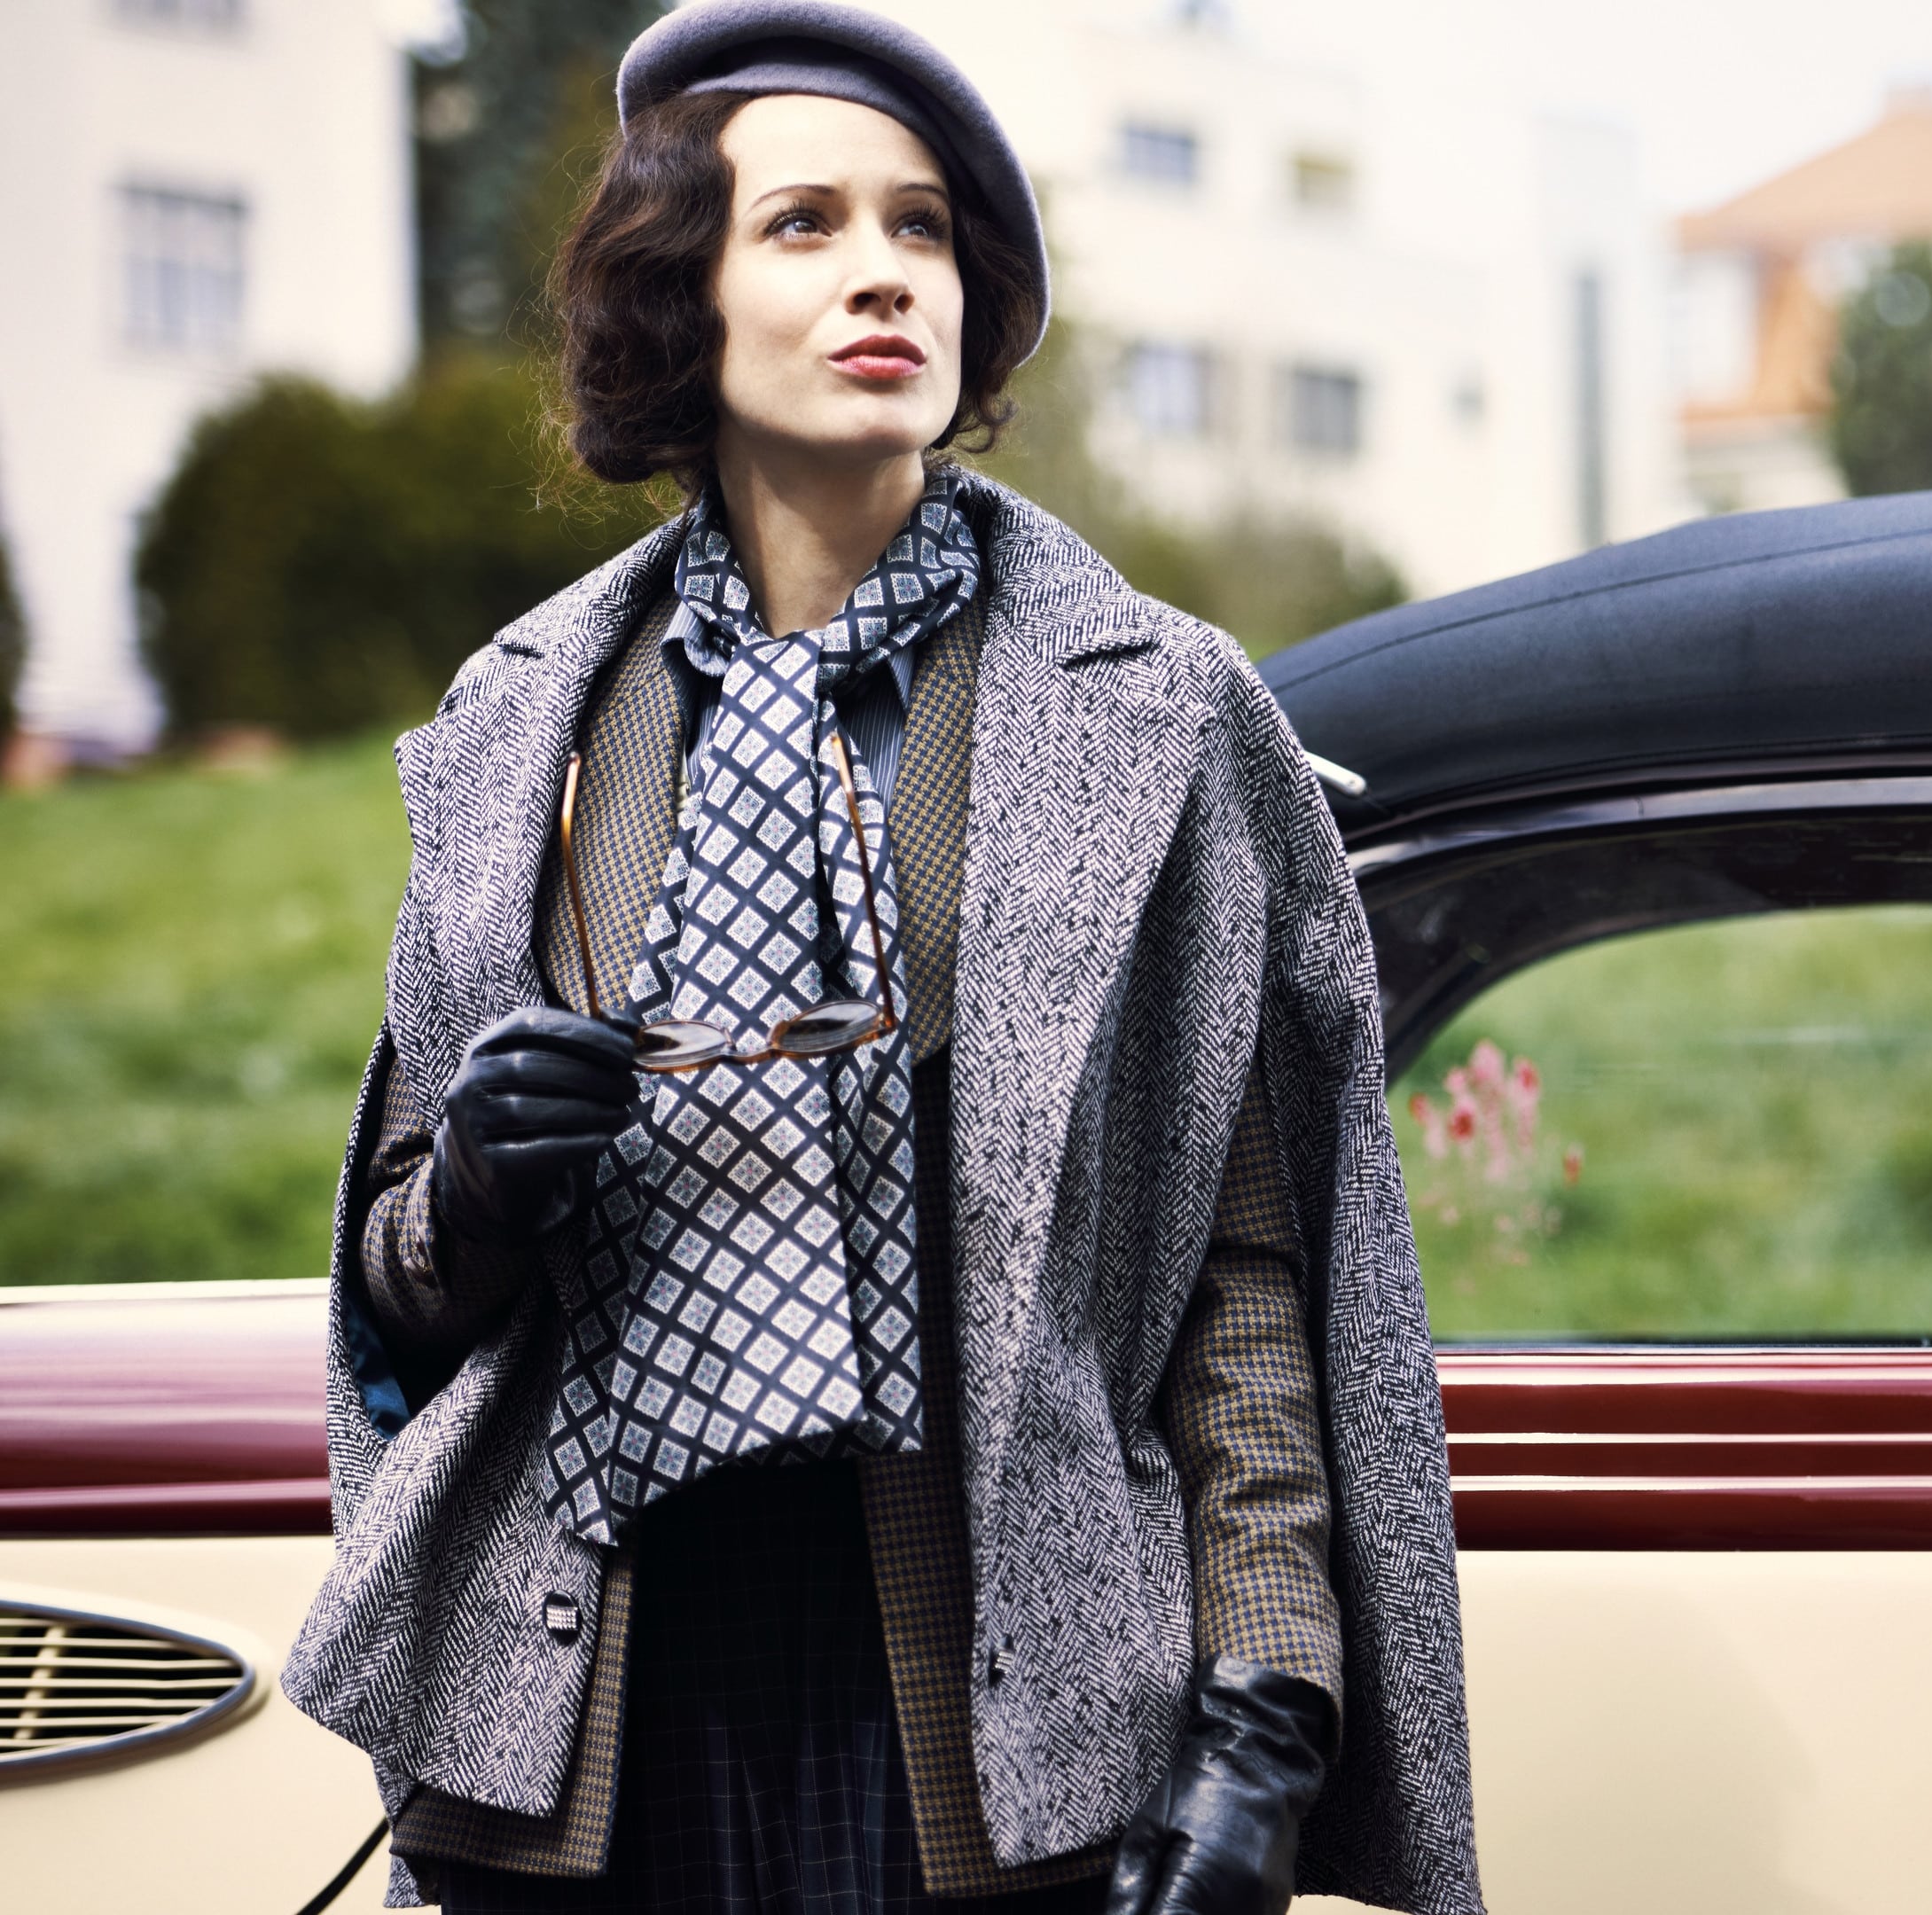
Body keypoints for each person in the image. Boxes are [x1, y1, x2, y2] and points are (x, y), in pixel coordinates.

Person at [279, 7, 1479, 1911]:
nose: (883, 273)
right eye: (806, 224)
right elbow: (399, 1302)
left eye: (921, 228)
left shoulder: (1152, 709)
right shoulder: (527, 723)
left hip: (997, 1728)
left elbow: (1242, 1275)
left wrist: (1264, 1719)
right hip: (590, 1733)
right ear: (684, 294)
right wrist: (477, 1191)